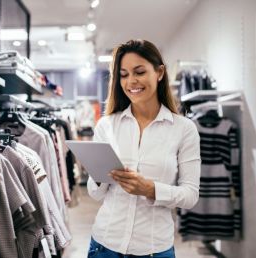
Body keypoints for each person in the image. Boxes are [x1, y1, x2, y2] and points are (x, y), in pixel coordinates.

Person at [87, 39, 201, 258]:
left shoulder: (184, 129)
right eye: (124, 74)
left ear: (159, 73)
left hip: (153, 249)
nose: (131, 81)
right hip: (103, 245)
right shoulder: (107, 125)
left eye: (139, 72)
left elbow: (190, 195)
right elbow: (96, 193)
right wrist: (101, 175)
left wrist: (150, 189)